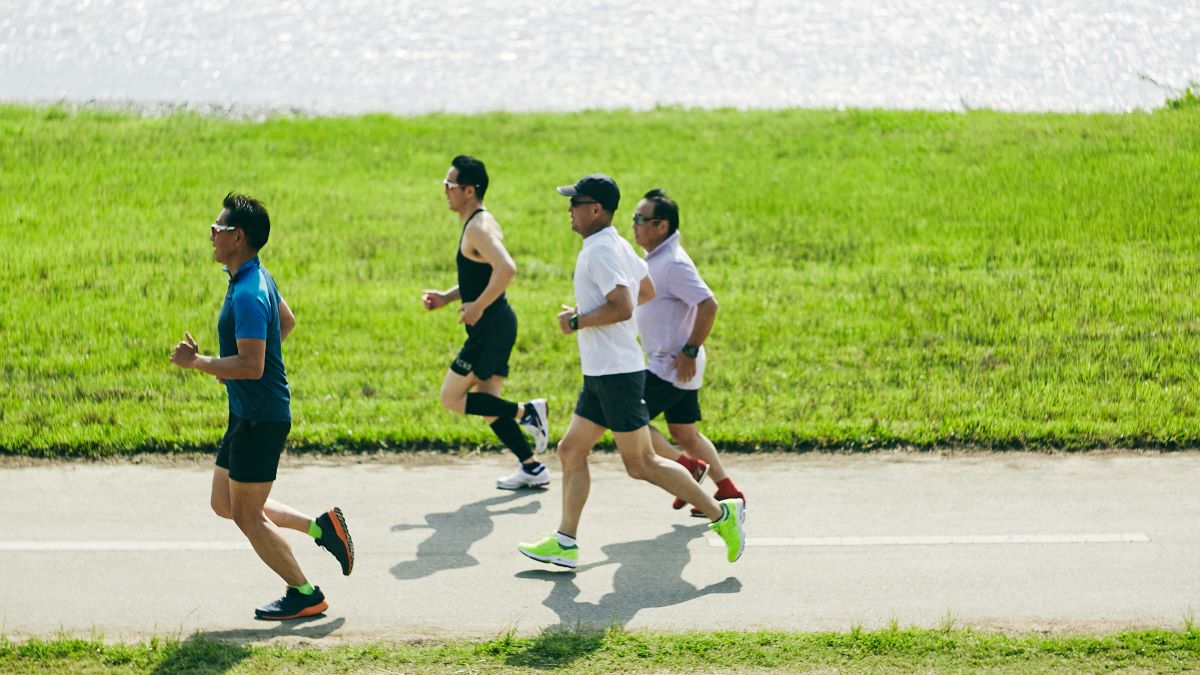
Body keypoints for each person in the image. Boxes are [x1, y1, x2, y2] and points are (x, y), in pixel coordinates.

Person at [517, 174, 746, 569]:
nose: (569, 210)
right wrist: (593, 317)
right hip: (605, 370)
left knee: (641, 464)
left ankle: (722, 515)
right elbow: (647, 291)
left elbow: (623, 305)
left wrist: (577, 321)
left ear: (596, 209)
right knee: (571, 450)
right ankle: (565, 542)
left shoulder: (601, 251)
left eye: (575, 203)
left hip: (616, 373)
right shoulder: (619, 245)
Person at [170, 193, 354, 621]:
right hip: (247, 415)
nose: (211, 234)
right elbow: (286, 322)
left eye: (218, 229)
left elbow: (252, 366)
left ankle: (306, 594)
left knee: (248, 517)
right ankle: (320, 527)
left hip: (262, 419)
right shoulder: (251, 276)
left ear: (238, 237)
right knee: (226, 503)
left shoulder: (249, 292)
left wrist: (198, 362)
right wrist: (235, 366)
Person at [422, 155, 551, 489]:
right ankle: (532, 467)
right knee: (489, 404)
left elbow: (506, 268)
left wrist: (477, 306)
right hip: (498, 323)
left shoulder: (477, 228)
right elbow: (482, 274)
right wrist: (448, 298)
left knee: (451, 398)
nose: (445, 190)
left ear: (468, 190)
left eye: (449, 185)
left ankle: (528, 412)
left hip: (490, 326)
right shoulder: (480, 221)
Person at [631, 189, 745, 516]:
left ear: (661, 226)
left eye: (641, 219)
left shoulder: (673, 264)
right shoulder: (658, 259)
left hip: (672, 365)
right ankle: (728, 491)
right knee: (685, 433)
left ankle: (687, 468)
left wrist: (690, 350)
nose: (634, 225)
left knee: (626, 418)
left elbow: (709, 304)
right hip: (674, 362)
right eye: (634, 218)